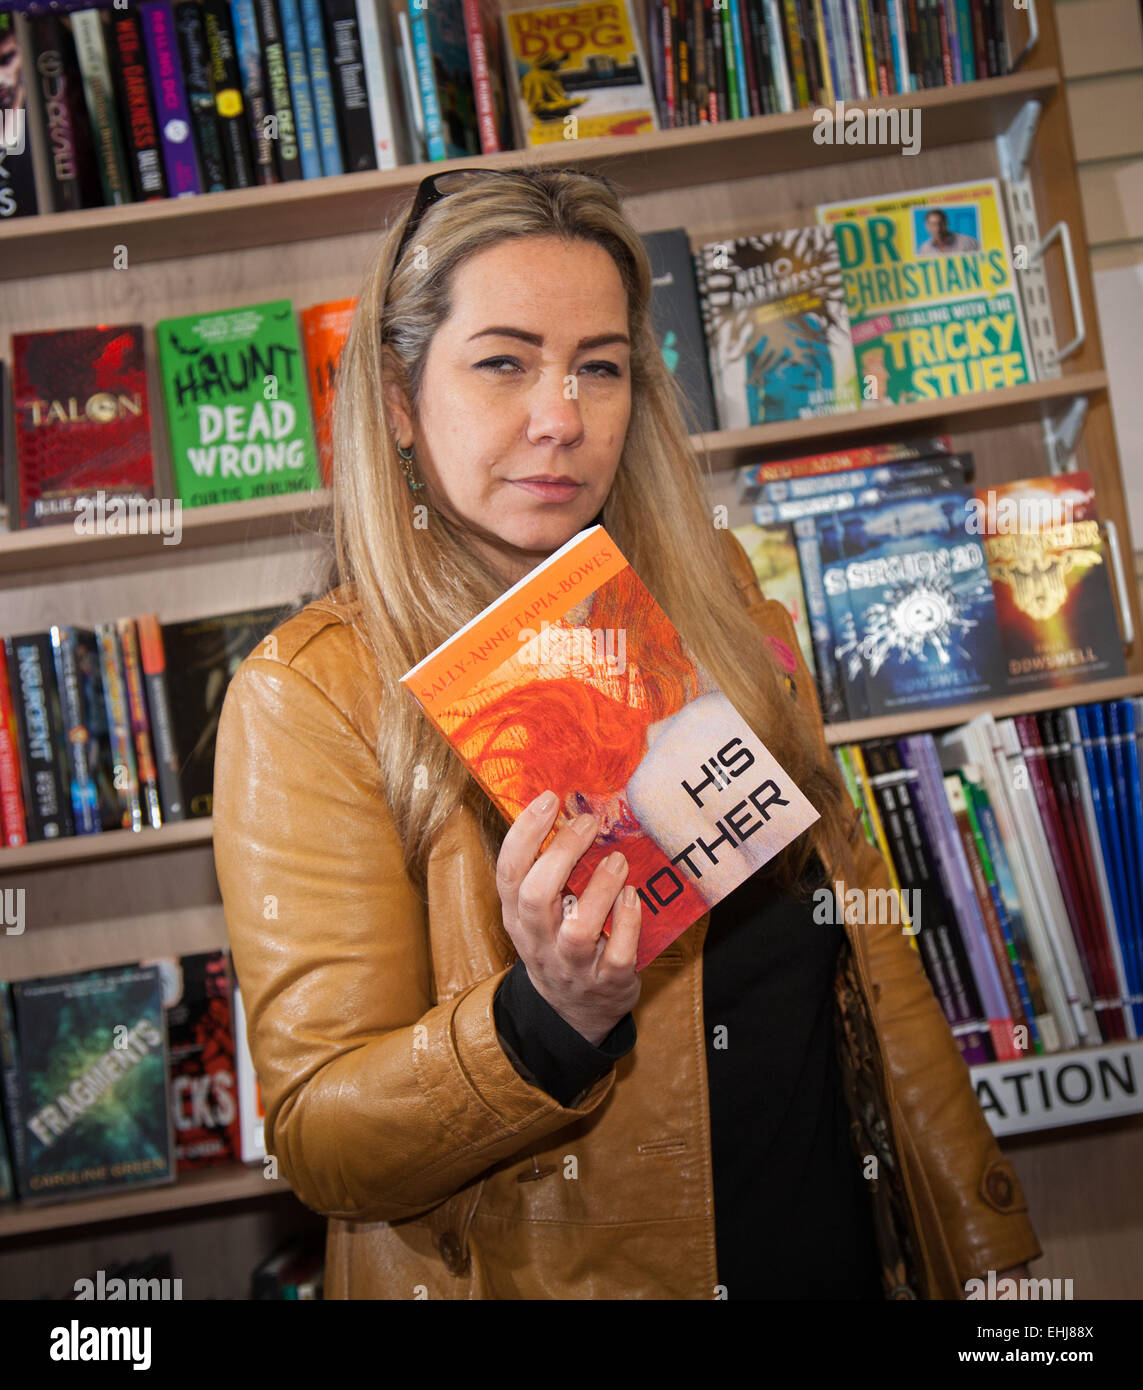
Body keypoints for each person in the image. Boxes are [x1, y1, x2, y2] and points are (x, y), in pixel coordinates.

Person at [212, 167, 1041, 1300]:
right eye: (503, 361)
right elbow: (320, 1140)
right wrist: (542, 1019)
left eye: (597, 366)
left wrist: (982, 1250)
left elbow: (867, 956)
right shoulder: (312, 694)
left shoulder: (725, 612)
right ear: (400, 399)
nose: (561, 415)